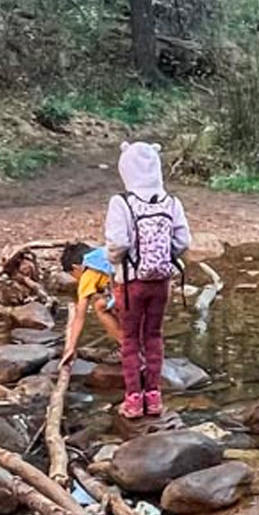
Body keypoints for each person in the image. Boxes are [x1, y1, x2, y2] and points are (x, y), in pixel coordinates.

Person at [104, 141, 191, 420]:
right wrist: (165, 258)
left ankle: (133, 400)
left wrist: (115, 262)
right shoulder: (171, 202)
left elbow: (117, 243)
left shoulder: (122, 203)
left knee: (130, 339)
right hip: (161, 282)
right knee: (153, 335)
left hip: (130, 284)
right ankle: (154, 397)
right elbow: (183, 241)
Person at [60, 242, 121, 365]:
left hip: (129, 295)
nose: (76, 279)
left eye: (73, 275)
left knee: (100, 306)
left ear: (76, 267)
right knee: (110, 303)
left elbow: (80, 316)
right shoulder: (103, 255)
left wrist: (71, 347)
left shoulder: (88, 272)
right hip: (145, 288)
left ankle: (127, 347)